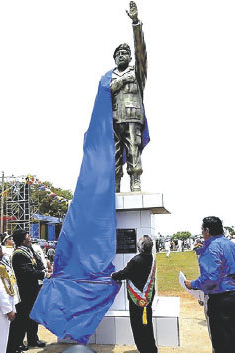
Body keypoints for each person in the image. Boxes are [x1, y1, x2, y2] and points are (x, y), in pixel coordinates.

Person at [110, 1, 148, 192]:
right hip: (113, 120)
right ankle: (115, 184)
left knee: (133, 150)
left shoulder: (137, 72)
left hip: (132, 116)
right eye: (119, 53)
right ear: (115, 58)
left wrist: (135, 24)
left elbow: (141, 52)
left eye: (126, 53)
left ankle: (135, 180)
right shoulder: (108, 77)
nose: (122, 55)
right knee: (113, 155)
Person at [185, 216, 235, 353]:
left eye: (202, 230)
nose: (202, 233)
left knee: (221, 342)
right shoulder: (231, 245)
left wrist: (192, 284)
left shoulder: (211, 247)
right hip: (232, 296)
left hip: (220, 300)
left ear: (207, 230)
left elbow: (210, 279)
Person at [7, 230, 51, 352]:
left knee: (33, 316)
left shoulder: (29, 250)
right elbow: (26, 271)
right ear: (22, 240)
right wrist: (43, 274)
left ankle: (33, 338)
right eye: (28, 237)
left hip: (33, 288)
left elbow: (39, 264)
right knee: (22, 318)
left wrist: (43, 271)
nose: (30, 238)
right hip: (24, 290)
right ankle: (18, 343)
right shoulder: (18, 254)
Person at [111, 235, 157, 353]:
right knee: (147, 327)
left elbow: (124, 273)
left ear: (140, 247)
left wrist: (113, 275)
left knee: (138, 328)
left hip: (137, 301)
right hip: (148, 299)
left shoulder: (136, 260)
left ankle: (144, 350)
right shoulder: (152, 258)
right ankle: (151, 349)